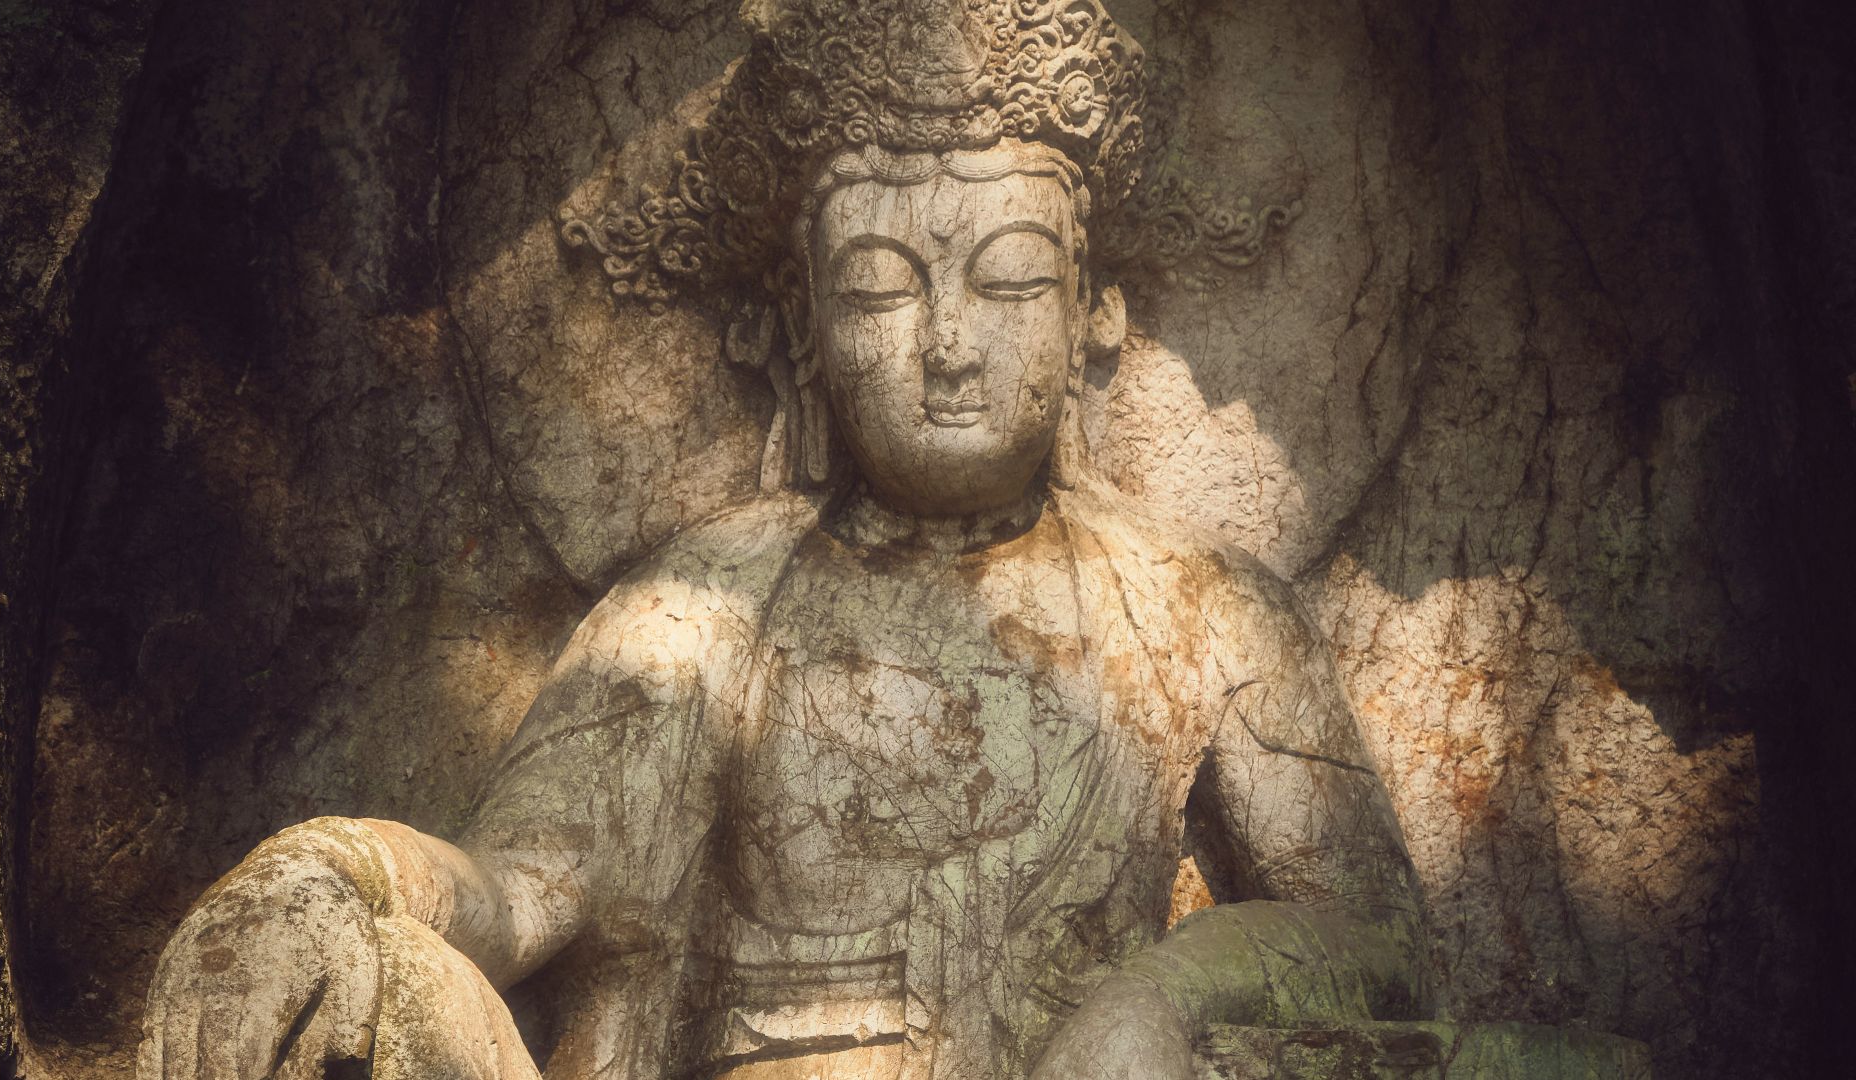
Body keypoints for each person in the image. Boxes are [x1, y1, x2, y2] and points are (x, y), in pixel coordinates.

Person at [137, 3, 1428, 1077]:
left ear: (1097, 315)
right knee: (376, 978)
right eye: (877, 288)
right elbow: (524, 888)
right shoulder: (711, 598)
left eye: (1013, 278)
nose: (947, 345)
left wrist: (1164, 996)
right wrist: (337, 866)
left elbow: (1376, 941)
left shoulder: (1205, 605)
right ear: (799, 332)